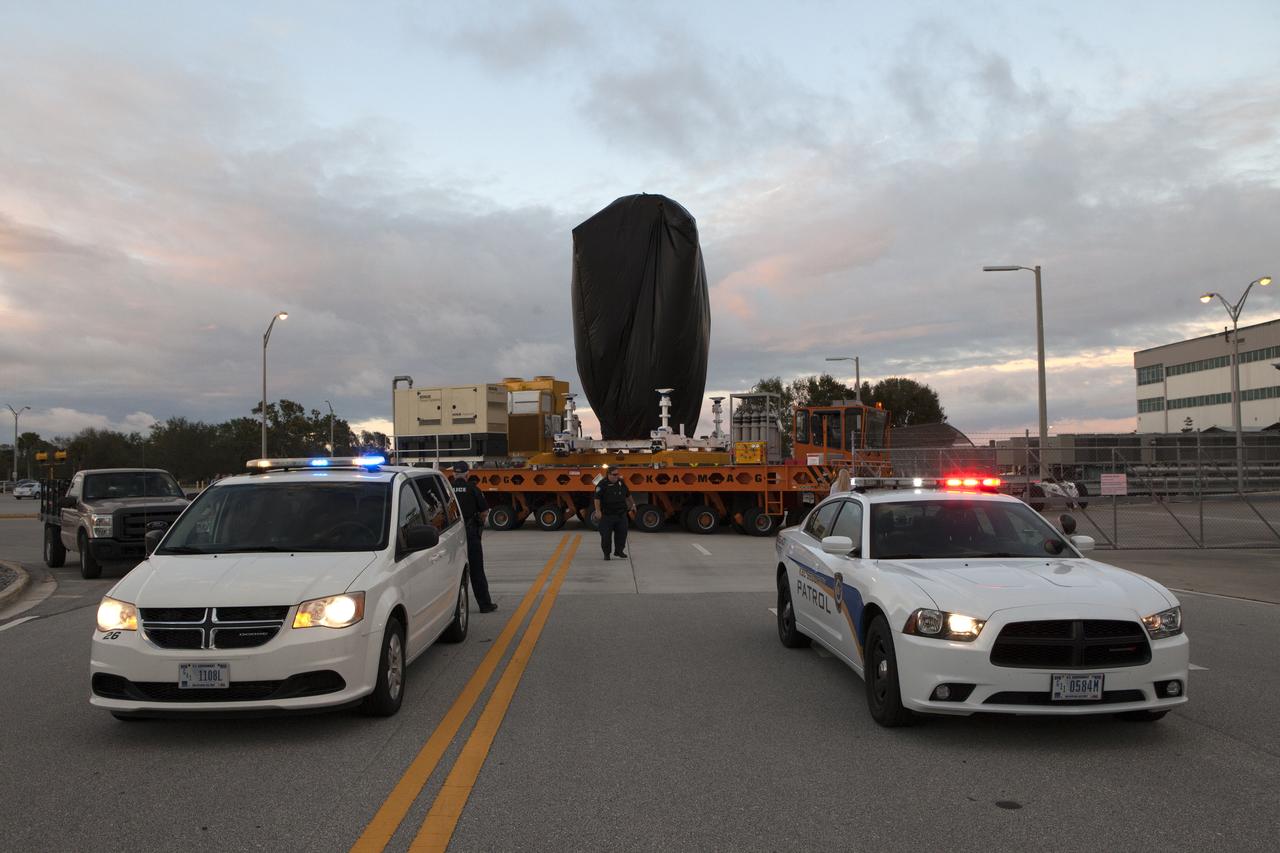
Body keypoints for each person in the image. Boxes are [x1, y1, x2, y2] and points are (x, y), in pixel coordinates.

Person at [448, 461, 497, 613]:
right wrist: (479, 526)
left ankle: (451, 608)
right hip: (470, 533)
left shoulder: (447, 490)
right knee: (476, 570)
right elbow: (484, 511)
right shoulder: (473, 489)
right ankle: (485, 604)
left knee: (452, 571)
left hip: (452, 535)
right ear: (467, 474)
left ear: (454, 474)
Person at [592, 467, 636, 560]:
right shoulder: (602, 484)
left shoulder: (621, 482)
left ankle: (619, 551)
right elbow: (597, 498)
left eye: (618, 474)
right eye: (614, 474)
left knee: (622, 534)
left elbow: (628, 494)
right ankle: (606, 554)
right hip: (607, 515)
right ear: (608, 474)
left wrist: (633, 504)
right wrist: (598, 511)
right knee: (606, 536)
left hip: (621, 514)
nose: (617, 476)